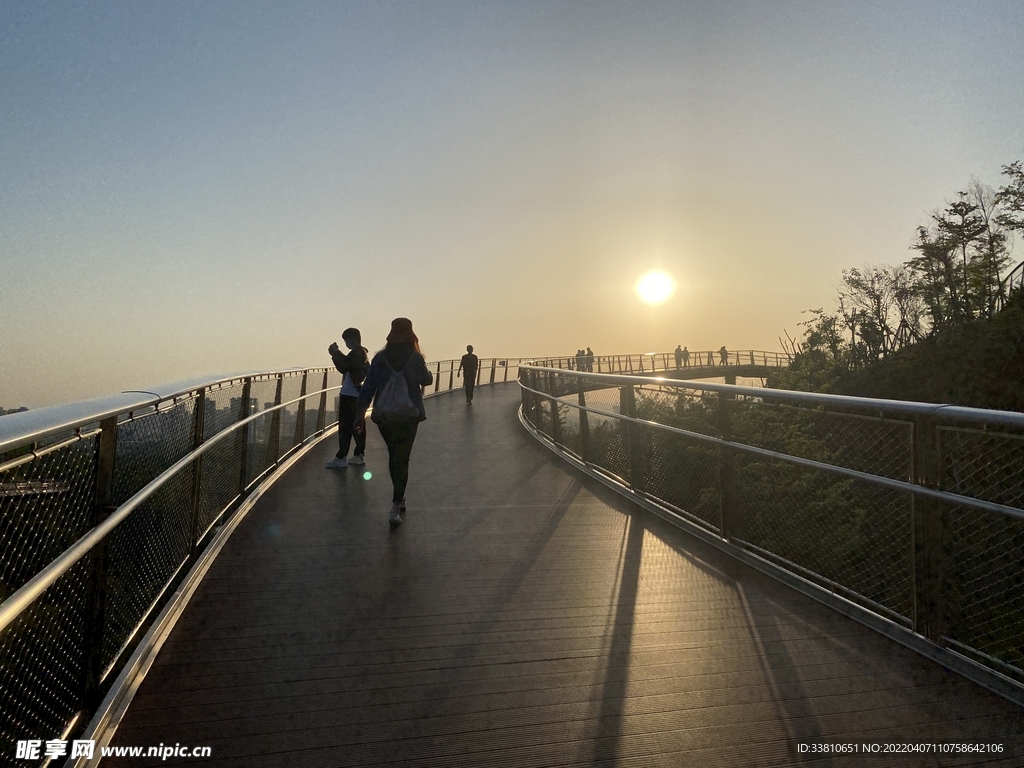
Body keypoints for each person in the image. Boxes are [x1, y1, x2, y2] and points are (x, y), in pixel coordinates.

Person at [354, 318, 433, 528]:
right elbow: (426, 380)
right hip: (409, 415)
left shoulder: (379, 359)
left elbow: (368, 389)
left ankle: (398, 498)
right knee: (403, 458)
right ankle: (397, 501)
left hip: (386, 416)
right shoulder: (415, 357)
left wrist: (359, 416)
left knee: (393, 456)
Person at [326, 328, 369, 469]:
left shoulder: (358, 353)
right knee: (355, 425)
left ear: (354, 338)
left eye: (347, 340)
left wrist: (336, 353)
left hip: (351, 394)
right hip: (353, 393)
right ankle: (357, 454)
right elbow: (345, 367)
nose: (346, 343)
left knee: (346, 426)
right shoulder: (360, 353)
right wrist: (335, 355)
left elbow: (346, 366)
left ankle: (342, 456)